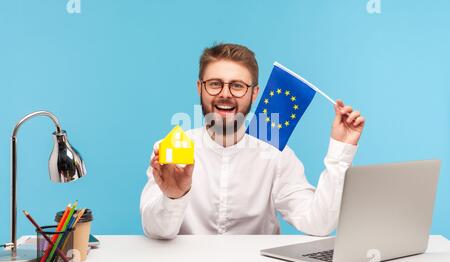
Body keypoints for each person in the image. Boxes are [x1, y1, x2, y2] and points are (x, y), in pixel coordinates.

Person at [140, 43, 365, 239]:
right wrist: (173, 196)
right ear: (200, 87)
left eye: (237, 86)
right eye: (215, 83)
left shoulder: (275, 154)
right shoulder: (172, 147)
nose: (225, 94)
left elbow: (318, 224)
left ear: (254, 93)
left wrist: (340, 149)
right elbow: (155, 231)